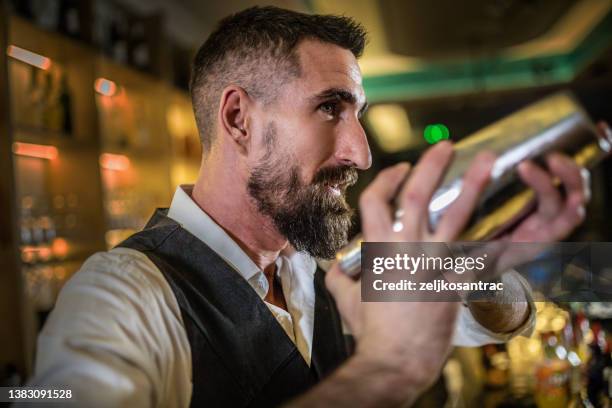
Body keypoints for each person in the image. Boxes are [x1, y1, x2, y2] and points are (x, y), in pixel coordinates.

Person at [28, 6, 595, 407]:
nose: (362, 153)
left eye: (358, 115)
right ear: (238, 120)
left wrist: (471, 263)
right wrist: (387, 372)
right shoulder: (118, 296)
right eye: (329, 108)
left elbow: (499, 321)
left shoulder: (328, 263)